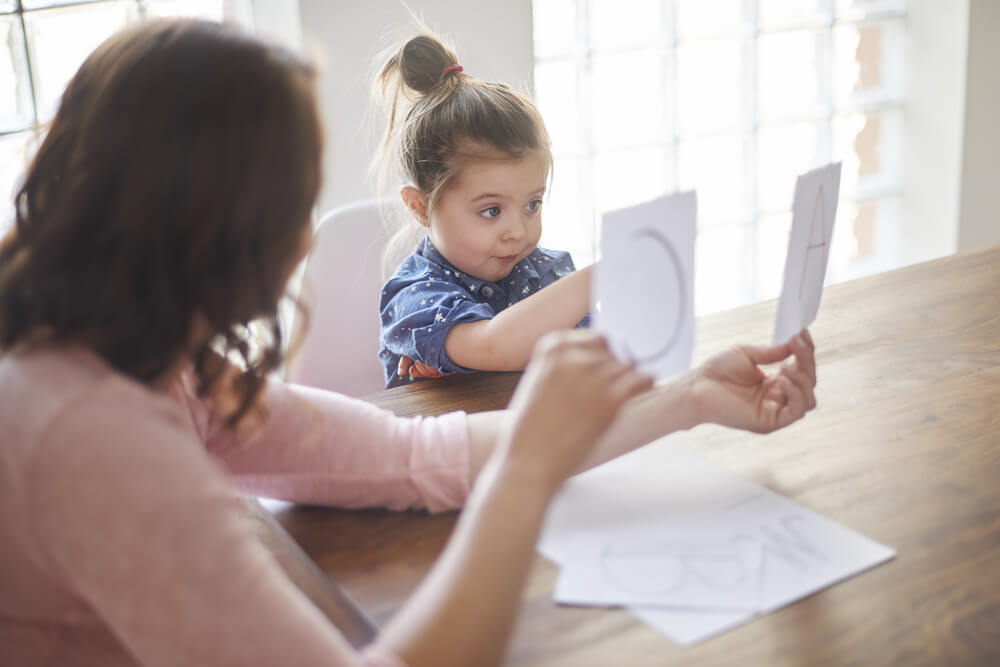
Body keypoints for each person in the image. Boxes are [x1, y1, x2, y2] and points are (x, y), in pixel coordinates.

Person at [0, 19, 818, 667]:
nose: (305, 239)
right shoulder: (93, 437)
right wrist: (525, 477)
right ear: (203, 220)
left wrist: (692, 399)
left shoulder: (148, 358)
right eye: (291, 202)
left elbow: (412, 456)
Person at [373, 33, 592, 388]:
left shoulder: (546, 271)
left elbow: (589, 358)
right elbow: (495, 346)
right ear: (420, 207)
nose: (518, 232)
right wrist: (599, 279)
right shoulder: (415, 295)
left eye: (532, 204)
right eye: (491, 211)